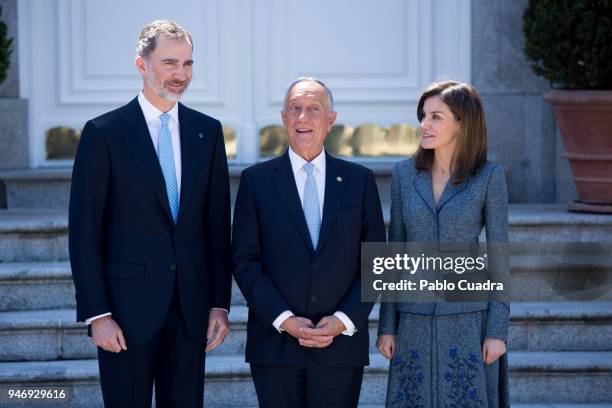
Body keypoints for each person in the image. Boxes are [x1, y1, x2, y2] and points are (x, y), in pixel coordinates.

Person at [68, 20, 232, 408]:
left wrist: (219, 304)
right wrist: (98, 315)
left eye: (188, 64)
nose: (180, 74)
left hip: (190, 312)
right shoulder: (104, 133)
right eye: (170, 63)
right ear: (142, 64)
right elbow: (84, 231)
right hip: (124, 314)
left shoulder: (207, 132)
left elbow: (215, 227)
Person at [232, 77, 386, 408]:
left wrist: (343, 320)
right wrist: (283, 318)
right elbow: (245, 260)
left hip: (340, 347)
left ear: (330, 120)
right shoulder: (256, 182)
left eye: (314, 109)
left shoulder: (359, 181)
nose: (303, 118)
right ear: (284, 119)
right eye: (295, 109)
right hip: (274, 345)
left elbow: (377, 262)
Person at [376, 80, 510, 407]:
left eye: (436, 116)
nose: (424, 124)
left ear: (462, 123)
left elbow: (499, 257)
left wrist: (497, 331)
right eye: (423, 115)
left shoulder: (490, 177)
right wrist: (387, 325)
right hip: (412, 317)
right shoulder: (404, 174)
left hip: (468, 317)